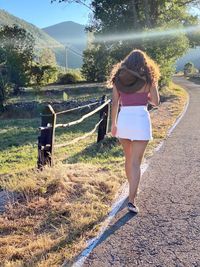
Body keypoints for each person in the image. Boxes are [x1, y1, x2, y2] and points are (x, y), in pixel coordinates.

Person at [109, 49, 160, 213]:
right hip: (140, 121)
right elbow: (156, 102)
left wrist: (113, 125)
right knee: (136, 162)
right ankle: (131, 200)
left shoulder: (118, 78)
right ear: (144, 63)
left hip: (124, 120)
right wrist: (146, 96)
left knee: (128, 159)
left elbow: (115, 103)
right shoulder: (148, 78)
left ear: (127, 62)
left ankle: (131, 190)